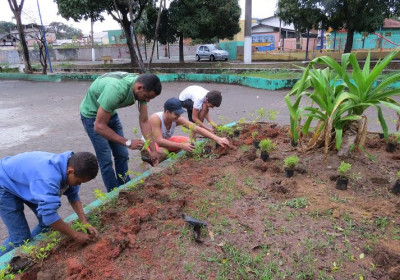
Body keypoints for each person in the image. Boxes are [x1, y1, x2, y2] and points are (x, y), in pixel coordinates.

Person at [0, 151, 99, 257]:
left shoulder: (70, 165)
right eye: (79, 181)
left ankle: (31, 251)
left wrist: (85, 222)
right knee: (20, 239)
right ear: (70, 171)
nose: (79, 184)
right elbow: (49, 216)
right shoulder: (48, 178)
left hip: (28, 182)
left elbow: (73, 196)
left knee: (46, 226)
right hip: (4, 183)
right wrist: (75, 235)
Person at [80, 72, 161, 192]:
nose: (147, 101)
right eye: (146, 97)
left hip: (110, 113)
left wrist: (153, 150)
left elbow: (144, 121)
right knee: (106, 160)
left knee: (122, 154)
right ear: (139, 88)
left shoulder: (141, 87)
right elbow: (99, 126)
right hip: (92, 117)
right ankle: (114, 194)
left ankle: (125, 187)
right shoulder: (116, 90)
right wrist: (128, 142)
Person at [147, 97, 230, 163]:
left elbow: (196, 128)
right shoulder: (156, 119)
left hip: (166, 140)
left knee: (190, 143)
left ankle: (171, 157)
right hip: (151, 143)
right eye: (176, 114)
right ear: (167, 112)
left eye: (179, 114)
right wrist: (181, 146)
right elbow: (159, 141)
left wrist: (218, 139)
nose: (178, 116)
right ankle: (153, 163)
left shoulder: (178, 119)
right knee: (163, 152)